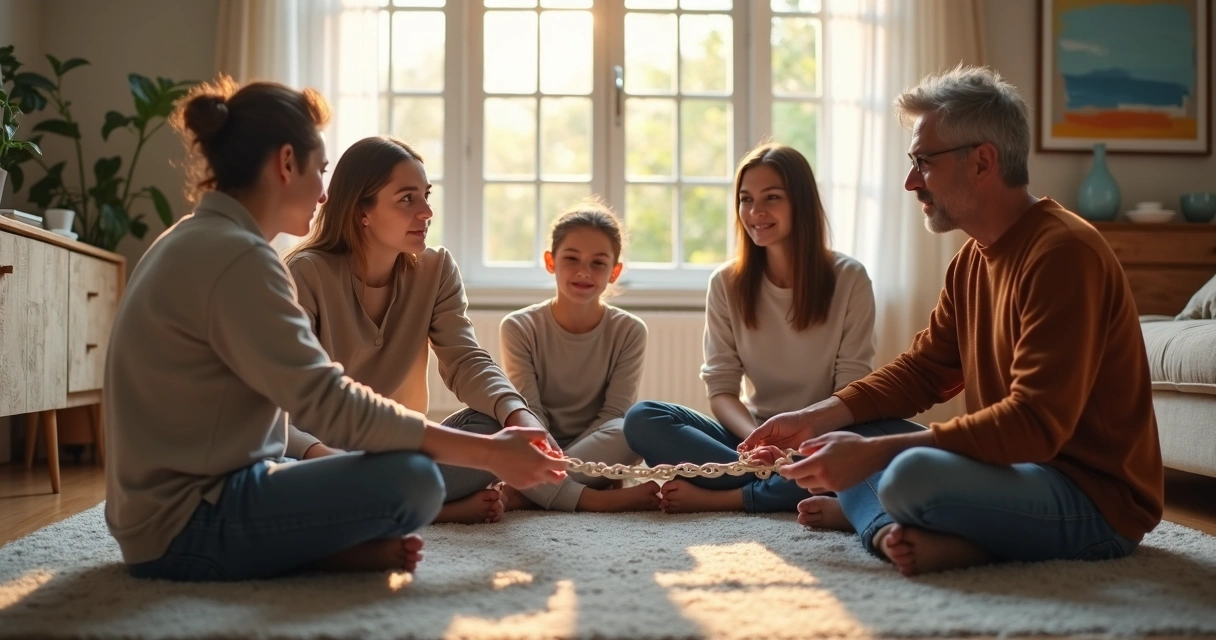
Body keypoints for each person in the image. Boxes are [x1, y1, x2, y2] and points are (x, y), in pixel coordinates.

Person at [104, 77, 564, 582]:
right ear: (286, 163)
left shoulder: (202, 239)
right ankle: (322, 549)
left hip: (185, 509)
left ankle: (326, 550)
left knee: (430, 456)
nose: (325, 193)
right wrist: (491, 453)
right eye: (321, 170)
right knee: (413, 481)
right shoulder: (239, 258)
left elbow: (460, 360)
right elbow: (324, 402)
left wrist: (505, 428)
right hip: (187, 525)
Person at [741, 65, 1164, 576]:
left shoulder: (1064, 253)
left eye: (923, 162)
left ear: (982, 161)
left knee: (906, 473)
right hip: (1015, 472)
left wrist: (873, 456)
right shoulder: (971, 261)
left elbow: (1034, 426)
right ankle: (902, 525)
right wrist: (814, 417)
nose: (910, 182)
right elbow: (922, 372)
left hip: (1094, 500)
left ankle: (890, 521)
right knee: (854, 426)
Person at [282, 135, 566, 521]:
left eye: (426, 195)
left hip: (402, 451)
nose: (427, 211)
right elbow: (283, 403)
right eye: (407, 199)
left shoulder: (437, 269)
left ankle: (398, 501)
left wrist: (519, 415)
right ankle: (431, 507)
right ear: (361, 211)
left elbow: (466, 360)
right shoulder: (304, 274)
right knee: (280, 464)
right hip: (322, 454)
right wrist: (325, 457)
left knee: (492, 425)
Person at [622, 142, 877, 514]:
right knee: (642, 419)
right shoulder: (726, 282)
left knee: (891, 443)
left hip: (822, 435)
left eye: (771, 197)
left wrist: (798, 443)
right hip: (748, 439)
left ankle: (730, 495)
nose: (755, 211)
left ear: (801, 202)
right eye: (745, 199)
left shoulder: (850, 278)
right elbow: (722, 390)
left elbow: (851, 388)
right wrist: (757, 443)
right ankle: (785, 485)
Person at [499, 200, 661, 512]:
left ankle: (531, 492)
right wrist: (558, 459)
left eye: (598, 263)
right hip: (539, 445)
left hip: (601, 445)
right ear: (551, 262)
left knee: (629, 429)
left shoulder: (630, 330)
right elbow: (530, 412)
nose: (584, 272)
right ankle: (593, 498)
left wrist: (559, 465)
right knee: (493, 425)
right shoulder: (518, 327)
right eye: (571, 258)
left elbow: (613, 413)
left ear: (614, 272)